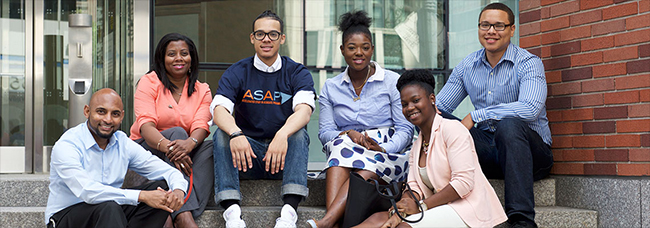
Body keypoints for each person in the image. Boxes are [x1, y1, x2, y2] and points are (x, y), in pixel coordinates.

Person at [435, 3, 554, 228]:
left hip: (530, 156)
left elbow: (530, 109)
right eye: (485, 25)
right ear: (479, 28)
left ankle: (522, 222)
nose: (491, 31)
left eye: (499, 25)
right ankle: (437, 198)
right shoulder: (467, 65)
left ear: (512, 29)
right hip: (488, 152)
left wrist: (478, 115)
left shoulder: (529, 63)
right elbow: (439, 107)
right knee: (436, 119)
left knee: (508, 125)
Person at [356, 69, 507, 228]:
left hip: (467, 209)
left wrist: (421, 207)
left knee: (403, 227)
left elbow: (463, 183)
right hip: (437, 208)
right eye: (404, 104)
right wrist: (402, 208)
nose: (410, 108)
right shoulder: (417, 145)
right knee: (377, 220)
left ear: (432, 99)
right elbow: (414, 186)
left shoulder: (452, 129)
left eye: (415, 100)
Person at [307, 10, 414, 228]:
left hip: (387, 152)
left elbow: (405, 129)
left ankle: (328, 221)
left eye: (365, 47)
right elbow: (325, 131)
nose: (359, 53)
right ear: (342, 50)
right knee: (338, 147)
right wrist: (348, 134)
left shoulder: (393, 81)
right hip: (348, 147)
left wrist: (384, 148)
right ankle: (331, 222)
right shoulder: (331, 86)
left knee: (365, 167)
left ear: (372, 49)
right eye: (352, 47)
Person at [210, 10, 315, 228]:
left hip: (283, 157)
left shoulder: (297, 72)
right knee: (221, 134)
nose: (266, 39)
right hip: (246, 156)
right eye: (260, 34)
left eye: (273, 34)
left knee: (298, 134)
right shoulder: (238, 71)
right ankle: (232, 213)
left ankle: (288, 214)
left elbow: (304, 111)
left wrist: (282, 135)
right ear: (252, 38)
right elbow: (219, 110)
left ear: (282, 38)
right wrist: (236, 134)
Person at [45, 88, 188, 228]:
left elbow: (168, 171)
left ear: (122, 116)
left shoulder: (122, 142)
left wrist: (178, 191)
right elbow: (87, 191)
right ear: (87, 111)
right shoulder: (68, 144)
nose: (108, 120)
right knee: (109, 207)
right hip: (66, 217)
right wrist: (142, 195)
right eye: (101, 112)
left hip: (110, 214)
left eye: (115, 114)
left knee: (162, 189)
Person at [129, 33, 214, 227]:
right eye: (171, 54)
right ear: (162, 59)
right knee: (177, 132)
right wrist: (172, 147)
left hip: (183, 153)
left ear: (191, 59)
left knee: (210, 148)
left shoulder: (203, 90)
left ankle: (178, 208)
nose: (178, 58)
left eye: (184, 53)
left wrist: (189, 144)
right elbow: (145, 126)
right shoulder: (149, 82)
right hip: (147, 149)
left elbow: (201, 125)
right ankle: (184, 216)